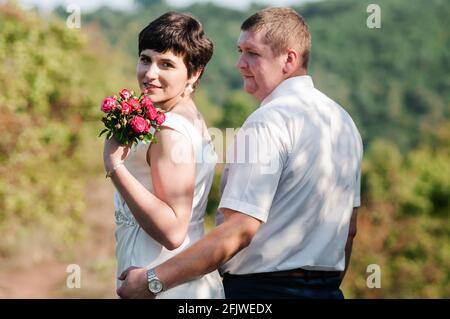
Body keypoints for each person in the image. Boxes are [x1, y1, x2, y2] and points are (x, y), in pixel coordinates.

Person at [116, 7, 363, 299]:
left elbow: (239, 230)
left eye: (252, 53)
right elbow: (349, 229)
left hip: (261, 292)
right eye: (240, 51)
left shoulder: (268, 121)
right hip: (328, 290)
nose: (239, 63)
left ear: (289, 59)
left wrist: (152, 281)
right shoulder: (342, 121)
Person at [103, 12, 224, 298]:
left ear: (194, 73)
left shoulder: (169, 129)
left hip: (161, 282)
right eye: (145, 59)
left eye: (166, 64)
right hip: (183, 280)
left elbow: (172, 231)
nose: (150, 74)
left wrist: (114, 166)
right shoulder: (190, 117)